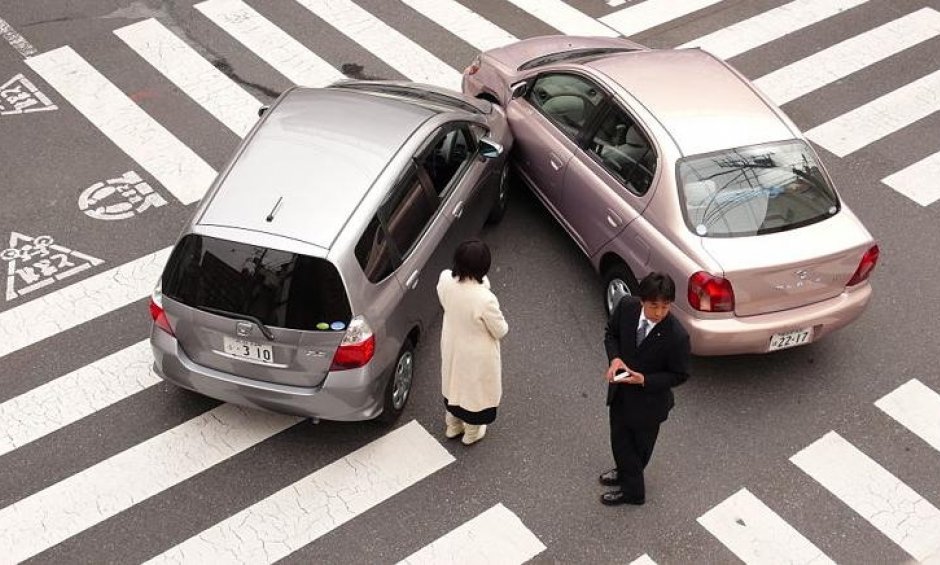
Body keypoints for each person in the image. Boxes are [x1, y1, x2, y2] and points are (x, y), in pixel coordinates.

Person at [600, 272, 690, 505]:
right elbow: (611, 334)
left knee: (638, 449)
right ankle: (623, 472)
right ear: (642, 300)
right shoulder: (626, 307)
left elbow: (680, 375)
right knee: (619, 439)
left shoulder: (677, 336)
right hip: (620, 392)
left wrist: (644, 380)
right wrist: (615, 359)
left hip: (650, 404)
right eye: (653, 306)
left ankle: (633, 493)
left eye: (665, 306)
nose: (659, 313)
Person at [436, 239, 509, 445]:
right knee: (474, 392)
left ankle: (453, 425)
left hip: (452, 344)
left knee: (453, 384)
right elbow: (500, 330)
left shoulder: (444, 281)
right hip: (477, 354)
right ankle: (471, 432)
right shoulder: (485, 299)